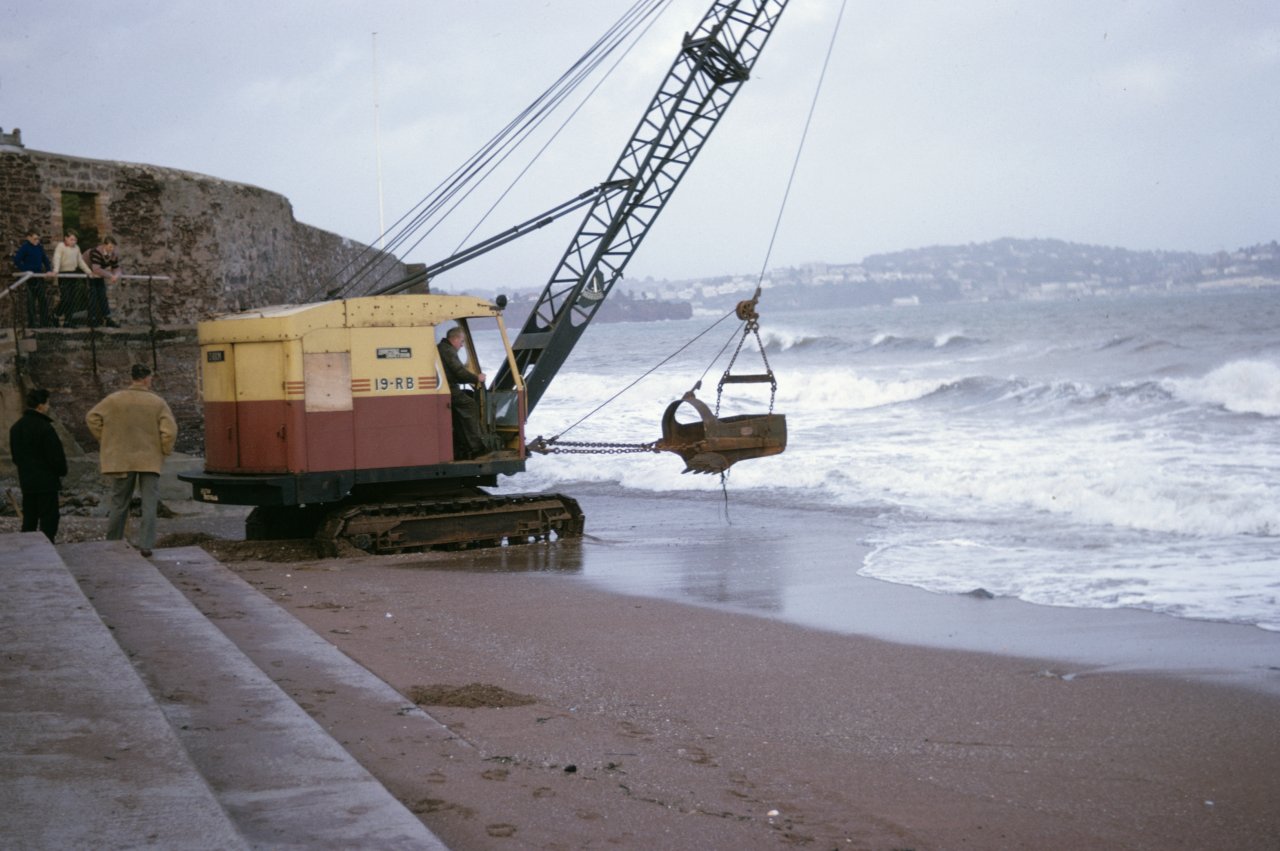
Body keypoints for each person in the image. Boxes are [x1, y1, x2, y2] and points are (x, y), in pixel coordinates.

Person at [86, 363, 177, 557]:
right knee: (149, 503)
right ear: (146, 378)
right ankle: (146, 545)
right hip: (149, 460)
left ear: (132, 378)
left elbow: (92, 417)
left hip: (122, 459)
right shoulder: (157, 402)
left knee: (119, 502)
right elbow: (169, 432)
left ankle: (113, 542)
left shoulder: (114, 400)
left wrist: (106, 439)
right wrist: (164, 451)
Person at [8, 388, 68, 542]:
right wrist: (61, 471)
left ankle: (29, 549)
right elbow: (56, 458)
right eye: (47, 403)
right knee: (49, 519)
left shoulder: (16, 428)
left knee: (29, 518)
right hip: (46, 482)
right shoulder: (45, 428)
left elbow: (16, 457)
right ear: (41, 405)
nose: (48, 407)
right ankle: (47, 549)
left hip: (27, 480)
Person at [437, 326, 491, 458]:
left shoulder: (442, 348)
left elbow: (454, 374)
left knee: (460, 409)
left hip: (446, 386)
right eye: (461, 341)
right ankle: (475, 447)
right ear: (454, 339)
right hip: (448, 388)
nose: (462, 345)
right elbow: (459, 371)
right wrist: (476, 378)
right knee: (469, 405)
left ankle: (463, 444)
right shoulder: (448, 350)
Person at [50, 231, 93, 326]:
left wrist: (89, 272)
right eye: (71, 239)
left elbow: (80, 261)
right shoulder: (61, 246)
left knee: (72, 299)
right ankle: (56, 313)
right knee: (66, 298)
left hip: (73, 274)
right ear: (66, 238)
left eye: (75, 240)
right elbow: (57, 258)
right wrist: (56, 270)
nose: (74, 242)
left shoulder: (77, 248)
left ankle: (68, 321)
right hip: (63, 274)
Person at [12, 231, 53, 327]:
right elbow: (17, 260)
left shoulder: (39, 247)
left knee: (43, 300)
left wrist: (48, 270)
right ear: (29, 238)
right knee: (31, 301)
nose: (37, 241)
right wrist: (25, 270)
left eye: (38, 239)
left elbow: (45, 260)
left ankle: (45, 323)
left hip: (39, 276)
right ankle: (32, 323)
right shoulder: (25, 248)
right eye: (35, 239)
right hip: (29, 277)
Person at [85, 236, 121, 327]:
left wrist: (116, 276)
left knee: (102, 294)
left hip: (98, 272)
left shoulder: (113, 254)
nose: (111, 249)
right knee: (92, 294)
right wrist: (110, 276)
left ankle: (107, 319)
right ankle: (92, 319)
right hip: (86, 270)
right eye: (110, 247)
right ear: (104, 245)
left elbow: (116, 267)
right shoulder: (96, 252)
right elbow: (96, 269)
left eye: (113, 247)